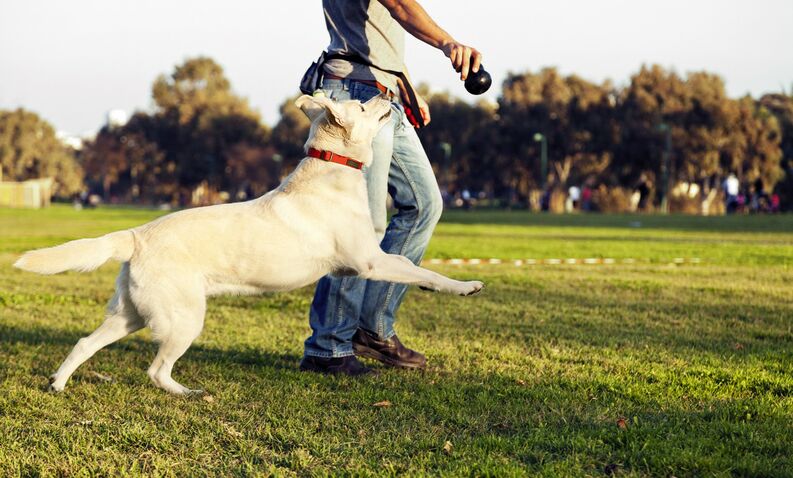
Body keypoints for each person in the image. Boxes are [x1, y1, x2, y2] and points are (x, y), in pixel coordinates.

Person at [299, 0, 483, 376]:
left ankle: (372, 328)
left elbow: (377, 33)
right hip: (355, 95)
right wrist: (448, 43)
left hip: (383, 93)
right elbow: (399, 5)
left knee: (424, 204)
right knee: (360, 229)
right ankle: (328, 347)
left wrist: (404, 86)